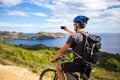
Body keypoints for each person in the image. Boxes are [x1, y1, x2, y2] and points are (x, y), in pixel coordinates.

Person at [50, 15, 91, 80]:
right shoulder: (88, 36)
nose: (73, 25)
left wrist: (54, 58)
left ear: (77, 24)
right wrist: (68, 30)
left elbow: (62, 51)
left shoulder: (73, 37)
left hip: (79, 65)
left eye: (74, 24)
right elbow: (78, 36)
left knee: (58, 67)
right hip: (88, 65)